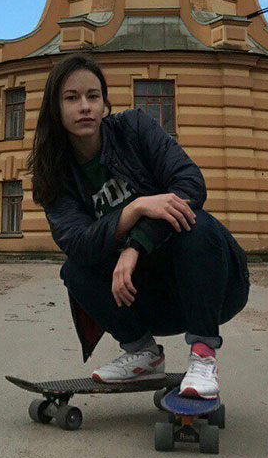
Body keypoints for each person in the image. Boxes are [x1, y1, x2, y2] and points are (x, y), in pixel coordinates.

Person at [27, 53, 250, 400]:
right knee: (75, 270)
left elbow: (190, 184)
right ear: (55, 108)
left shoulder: (134, 128)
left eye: (93, 96)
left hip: (212, 288)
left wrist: (135, 245)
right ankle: (142, 352)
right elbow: (78, 243)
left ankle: (204, 356)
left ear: (105, 103)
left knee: (196, 224)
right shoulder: (54, 173)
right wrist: (133, 208)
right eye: (72, 98)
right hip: (145, 299)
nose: (84, 106)